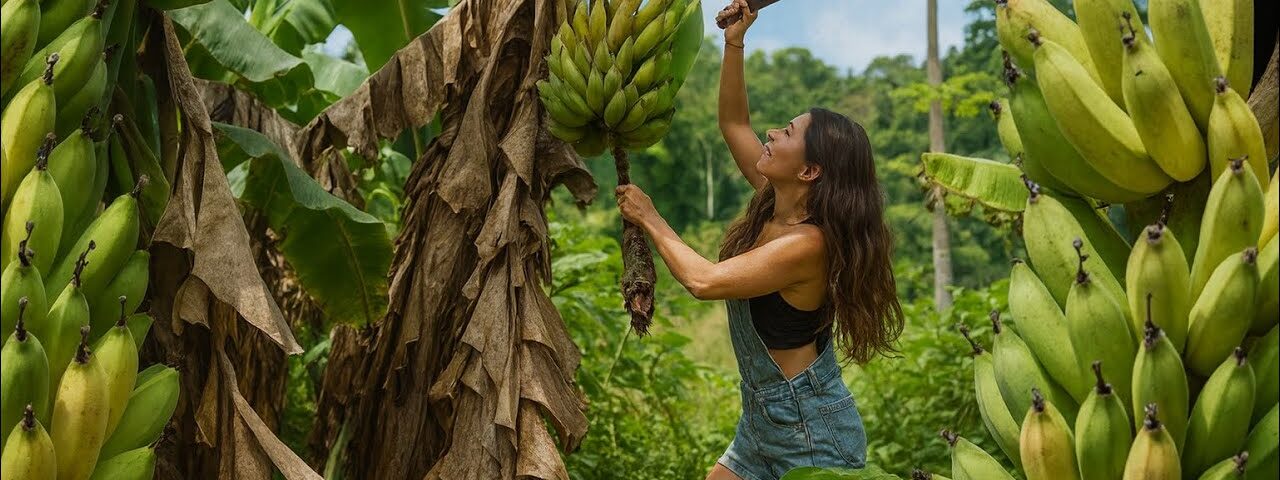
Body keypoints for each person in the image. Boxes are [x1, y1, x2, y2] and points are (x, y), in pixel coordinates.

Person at [613, 1, 905, 478]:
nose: (771, 133)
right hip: (762, 423)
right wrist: (735, 43)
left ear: (809, 171)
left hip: (810, 433)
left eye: (786, 133)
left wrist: (650, 217)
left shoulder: (808, 246)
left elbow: (704, 281)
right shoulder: (775, 200)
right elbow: (734, 124)